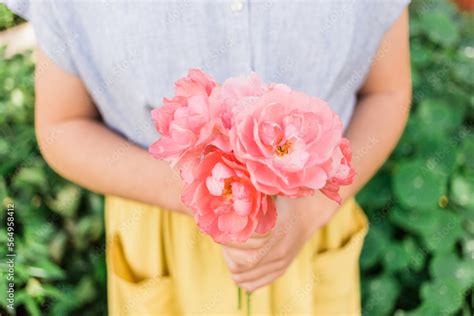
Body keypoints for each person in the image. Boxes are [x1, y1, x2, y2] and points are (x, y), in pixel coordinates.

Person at [5, 0, 412, 314]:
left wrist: (307, 214)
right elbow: (62, 125)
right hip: (162, 236)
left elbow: (387, 93)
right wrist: (204, 192)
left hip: (312, 224)